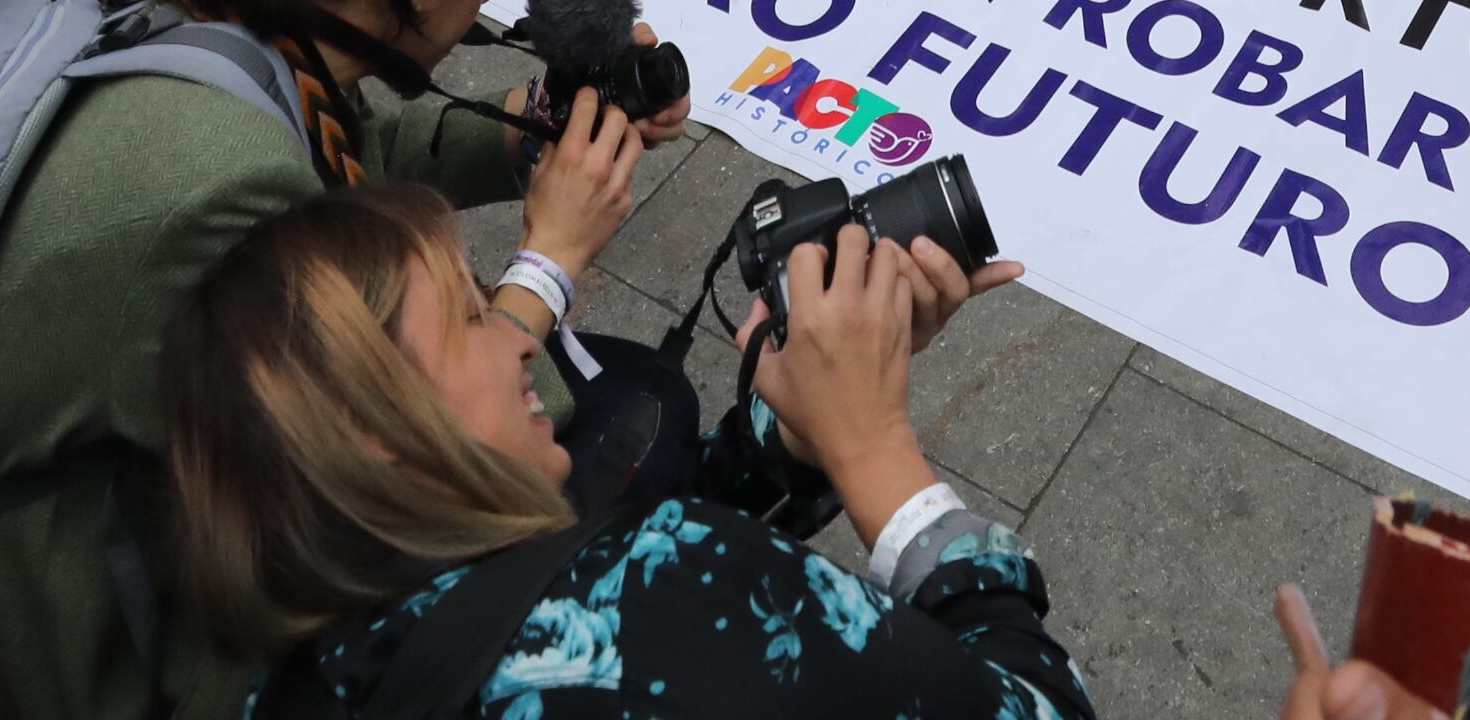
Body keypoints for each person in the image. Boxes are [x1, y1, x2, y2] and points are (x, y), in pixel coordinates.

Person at [0, 0, 733, 720]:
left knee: (629, 390)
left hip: (197, 447)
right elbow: (388, 430)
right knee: (638, 422)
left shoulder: (230, 12)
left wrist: (533, 131)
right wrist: (549, 264)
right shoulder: (224, 183)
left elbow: (348, 144)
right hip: (125, 611)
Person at [163, 188, 1077, 720]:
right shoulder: (651, 597)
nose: (521, 342)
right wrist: (878, 453)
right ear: (371, 425)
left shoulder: (296, 676)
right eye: (475, 315)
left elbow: (599, 535)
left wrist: (800, 434)